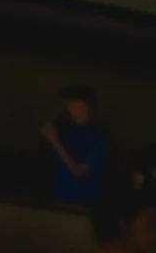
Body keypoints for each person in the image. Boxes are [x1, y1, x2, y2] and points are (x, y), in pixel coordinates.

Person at [39, 86, 112, 220]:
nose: (69, 109)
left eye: (73, 104)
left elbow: (79, 171)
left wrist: (55, 142)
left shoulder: (98, 139)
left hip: (83, 209)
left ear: (84, 105)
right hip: (58, 204)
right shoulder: (65, 130)